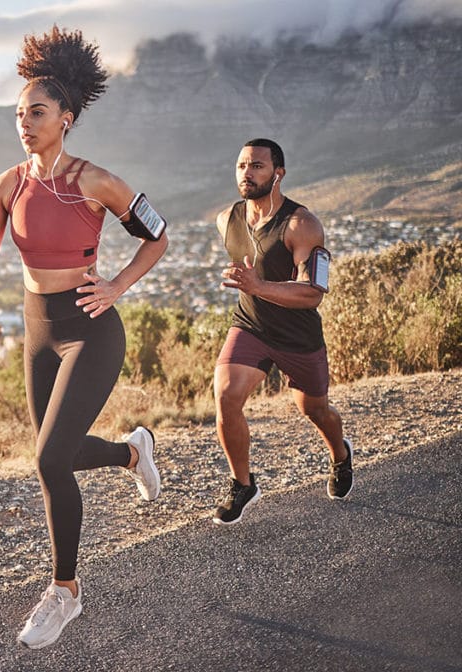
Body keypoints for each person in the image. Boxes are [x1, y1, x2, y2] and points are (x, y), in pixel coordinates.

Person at [0, 26, 169, 650]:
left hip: (91, 329)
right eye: (18, 113)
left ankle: (65, 592)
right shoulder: (6, 184)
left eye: (37, 112)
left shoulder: (95, 181)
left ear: (66, 118)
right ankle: (133, 452)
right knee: (62, 453)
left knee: (48, 459)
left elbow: (157, 236)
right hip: (38, 331)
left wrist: (119, 286)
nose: (24, 122)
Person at [212, 138, 353, 526]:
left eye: (257, 166)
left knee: (314, 410)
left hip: (298, 336)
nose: (247, 173)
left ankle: (340, 454)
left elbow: (313, 294)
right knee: (225, 395)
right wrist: (249, 288)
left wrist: (258, 287)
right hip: (252, 325)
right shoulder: (227, 219)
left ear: (279, 173)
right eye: (242, 165)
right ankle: (243, 484)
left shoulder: (302, 224)